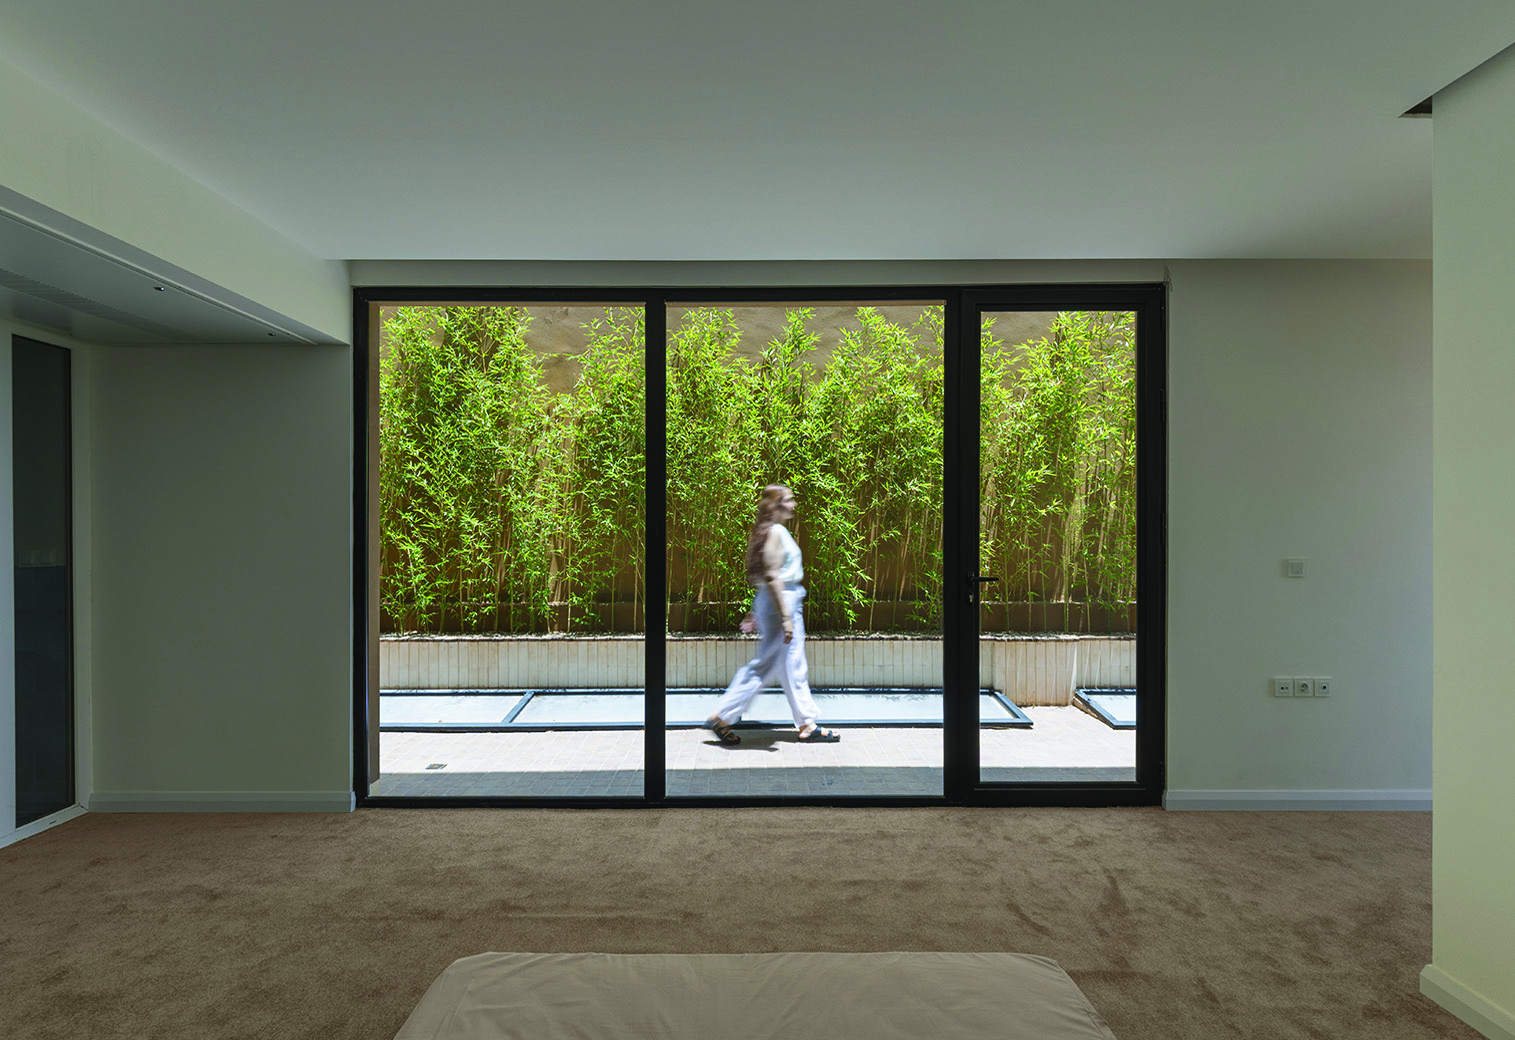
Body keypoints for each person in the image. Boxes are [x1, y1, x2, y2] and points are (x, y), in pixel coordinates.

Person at [705, 484, 841, 744]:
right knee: (766, 664)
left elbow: (765, 578)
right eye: (789, 500)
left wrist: (756, 611)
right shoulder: (776, 532)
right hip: (783, 603)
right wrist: (785, 618)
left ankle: (807, 723)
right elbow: (771, 575)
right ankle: (721, 716)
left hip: (780, 601)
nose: (793, 505)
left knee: (793, 665)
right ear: (777, 505)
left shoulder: (770, 531)